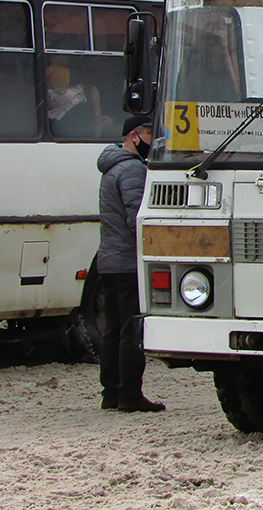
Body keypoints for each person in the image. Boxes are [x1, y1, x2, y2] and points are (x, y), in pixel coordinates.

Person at [96, 114, 165, 412]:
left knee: (112, 330)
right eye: (149, 132)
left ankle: (110, 392)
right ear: (133, 136)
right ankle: (130, 395)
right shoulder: (133, 170)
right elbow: (137, 218)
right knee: (131, 330)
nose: (153, 139)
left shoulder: (110, 167)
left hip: (108, 261)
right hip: (127, 263)